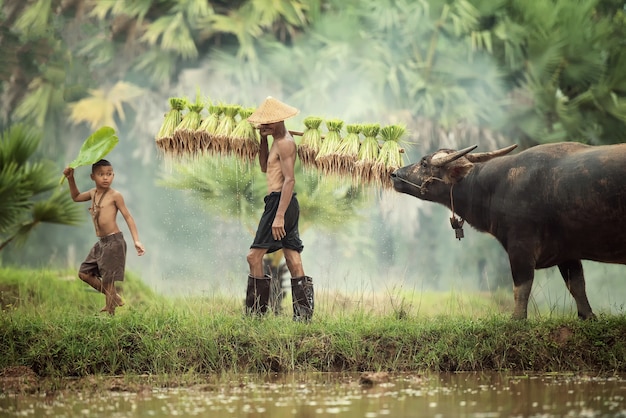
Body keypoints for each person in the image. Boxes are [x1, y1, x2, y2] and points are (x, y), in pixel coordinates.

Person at [245, 96, 314, 321]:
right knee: (293, 259)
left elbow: (289, 180)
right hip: (282, 203)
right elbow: (265, 167)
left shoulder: (285, 142)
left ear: (279, 121)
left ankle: (256, 316)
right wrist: (262, 139)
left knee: (254, 257)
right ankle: (303, 319)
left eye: (269, 122)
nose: (265, 125)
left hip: (279, 203)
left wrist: (279, 216)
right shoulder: (275, 140)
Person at [63, 159, 145, 315]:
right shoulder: (93, 193)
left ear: (113, 175)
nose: (106, 178)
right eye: (101, 174)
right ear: (92, 176)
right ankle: (114, 296)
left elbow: (128, 217)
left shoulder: (115, 195)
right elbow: (76, 197)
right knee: (84, 273)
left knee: (108, 280)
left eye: (109, 174)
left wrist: (137, 240)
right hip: (101, 243)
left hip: (114, 241)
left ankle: (111, 315)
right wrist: (71, 178)